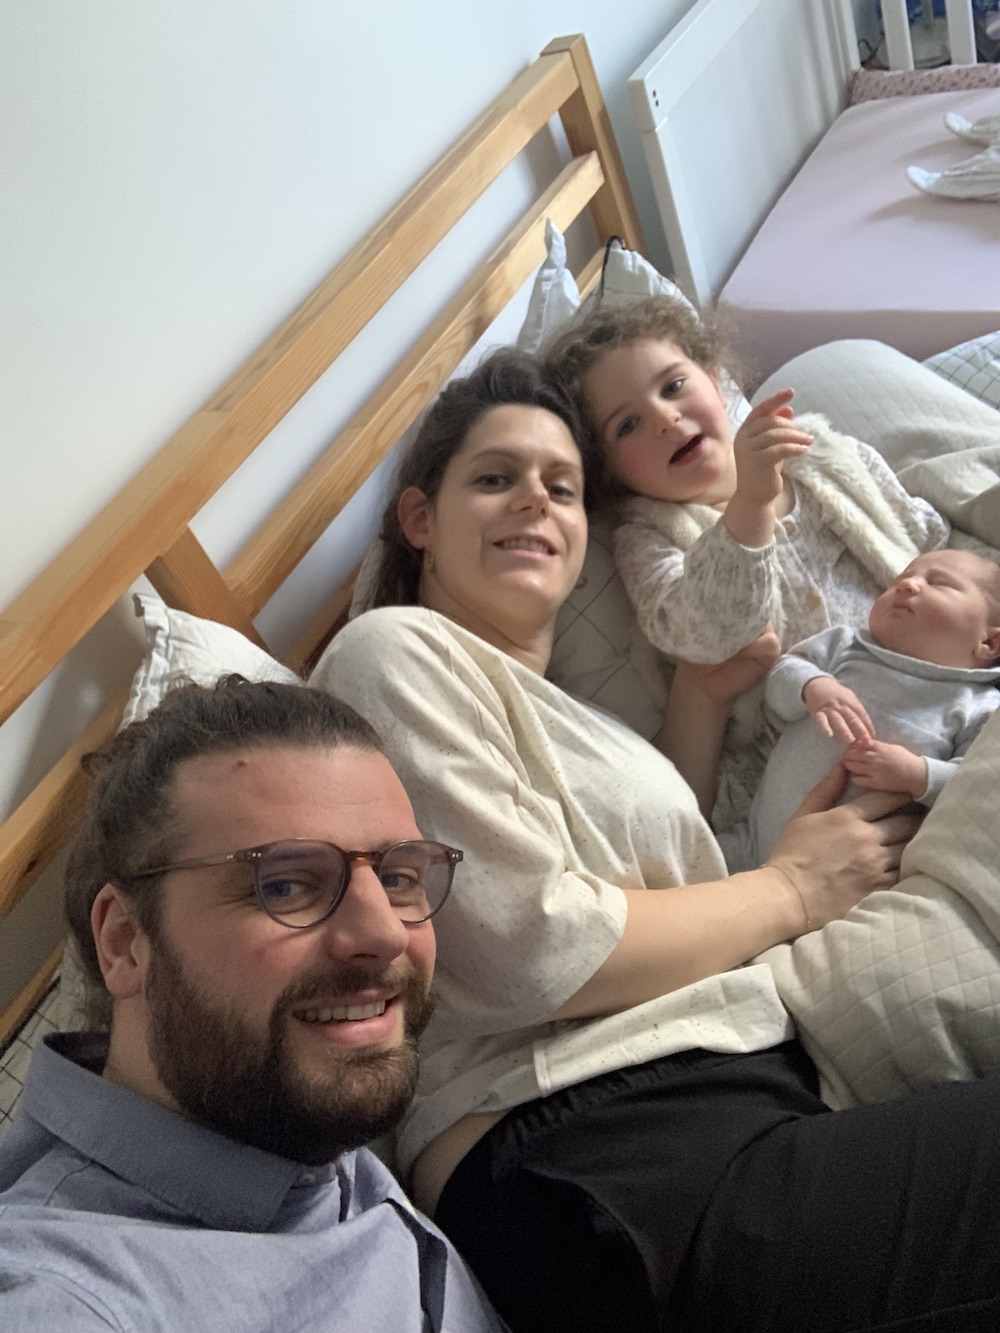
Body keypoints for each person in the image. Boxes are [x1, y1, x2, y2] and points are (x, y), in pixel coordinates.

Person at [311, 347, 1000, 1333]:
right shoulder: (392, 652)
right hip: (582, 1141)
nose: (535, 501)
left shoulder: (581, 720)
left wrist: (701, 698)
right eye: (496, 479)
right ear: (419, 519)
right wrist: (794, 889)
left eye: (562, 488)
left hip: (722, 1091)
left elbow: (669, 869)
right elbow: (532, 945)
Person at [0, 678, 505, 1333]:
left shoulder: (279, 1109)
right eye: (286, 884)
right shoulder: (64, 1299)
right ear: (125, 941)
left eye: (397, 877)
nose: (384, 933)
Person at [543, 295, 953, 833]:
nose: (665, 418)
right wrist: (750, 506)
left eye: (673, 386)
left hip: (935, 711)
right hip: (804, 784)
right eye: (628, 426)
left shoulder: (824, 454)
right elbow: (705, 635)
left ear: (715, 379)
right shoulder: (648, 539)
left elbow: (927, 539)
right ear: (609, 473)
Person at [743, 548, 1000, 867]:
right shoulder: (847, 644)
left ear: (989, 642)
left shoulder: (981, 706)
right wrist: (813, 686)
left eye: (939, 583)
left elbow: (975, 787)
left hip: (851, 870)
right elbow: (780, 679)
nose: (907, 585)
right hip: (753, 839)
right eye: (900, 580)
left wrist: (918, 775)